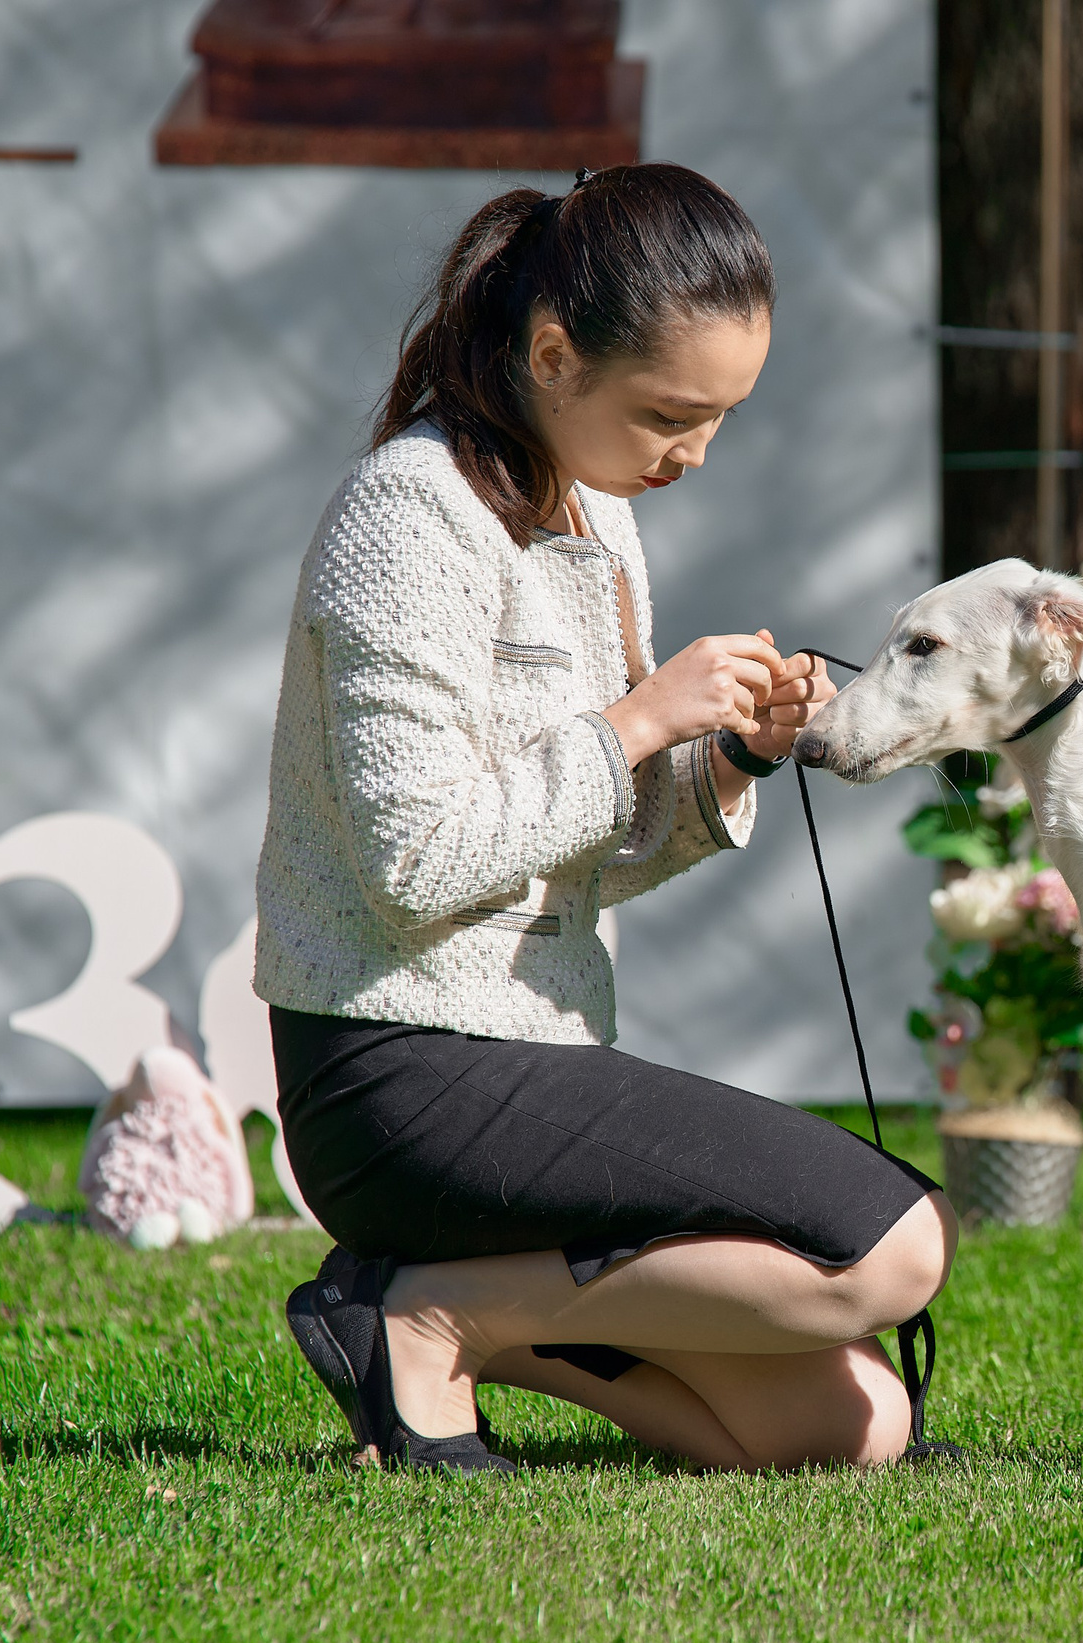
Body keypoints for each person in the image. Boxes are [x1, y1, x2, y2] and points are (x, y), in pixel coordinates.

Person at [256, 163, 954, 1477]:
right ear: (553, 352)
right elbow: (416, 865)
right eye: (669, 415)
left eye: (721, 419)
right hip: (398, 1071)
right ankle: (439, 1312)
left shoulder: (600, 513)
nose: (692, 454)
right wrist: (639, 722)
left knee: (857, 1427)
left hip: (534, 1054)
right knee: (892, 1242)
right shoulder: (406, 520)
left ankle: (434, 1321)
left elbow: (586, 860)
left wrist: (729, 759)